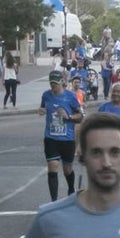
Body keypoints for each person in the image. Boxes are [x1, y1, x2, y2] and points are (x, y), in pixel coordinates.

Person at [38, 70, 83, 200]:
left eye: (56, 84)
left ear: (62, 83)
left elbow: (80, 117)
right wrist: (41, 110)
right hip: (51, 138)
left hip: (67, 139)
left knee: (67, 169)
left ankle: (70, 189)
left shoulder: (70, 97)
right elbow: (43, 108)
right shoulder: (46, 95)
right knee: (52, 168)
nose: (53, 86)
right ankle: (54, 201)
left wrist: (68, 116)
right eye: (51, 83)